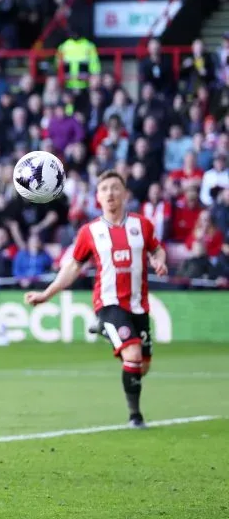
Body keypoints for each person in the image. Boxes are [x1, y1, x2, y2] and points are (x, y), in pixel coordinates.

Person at [25, 170, 167, 429]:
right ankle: (135, 416)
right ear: (97, 198)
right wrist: (47, 294)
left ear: (125, 194)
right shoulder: (90, 232)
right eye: (104, 189)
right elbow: (71, 268)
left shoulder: (142, 225)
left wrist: (159, 260)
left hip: (138, 306)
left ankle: (104, 329)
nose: (110, 193)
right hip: (108, 303)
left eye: (115, 188)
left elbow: (156, 248)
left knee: (142, 367)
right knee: (132, 354)